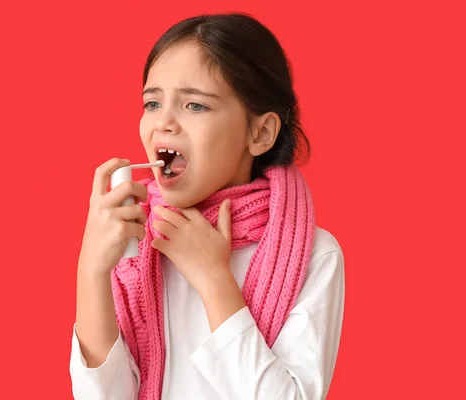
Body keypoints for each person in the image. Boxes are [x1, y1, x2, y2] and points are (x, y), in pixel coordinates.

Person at [70, 12, 345, 400]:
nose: (163, 122)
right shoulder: (132, 241)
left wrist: (214, 279)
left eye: (195, 106)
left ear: (261, 132)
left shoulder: (313, 254)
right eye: (152, 103)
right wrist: (92, 268)